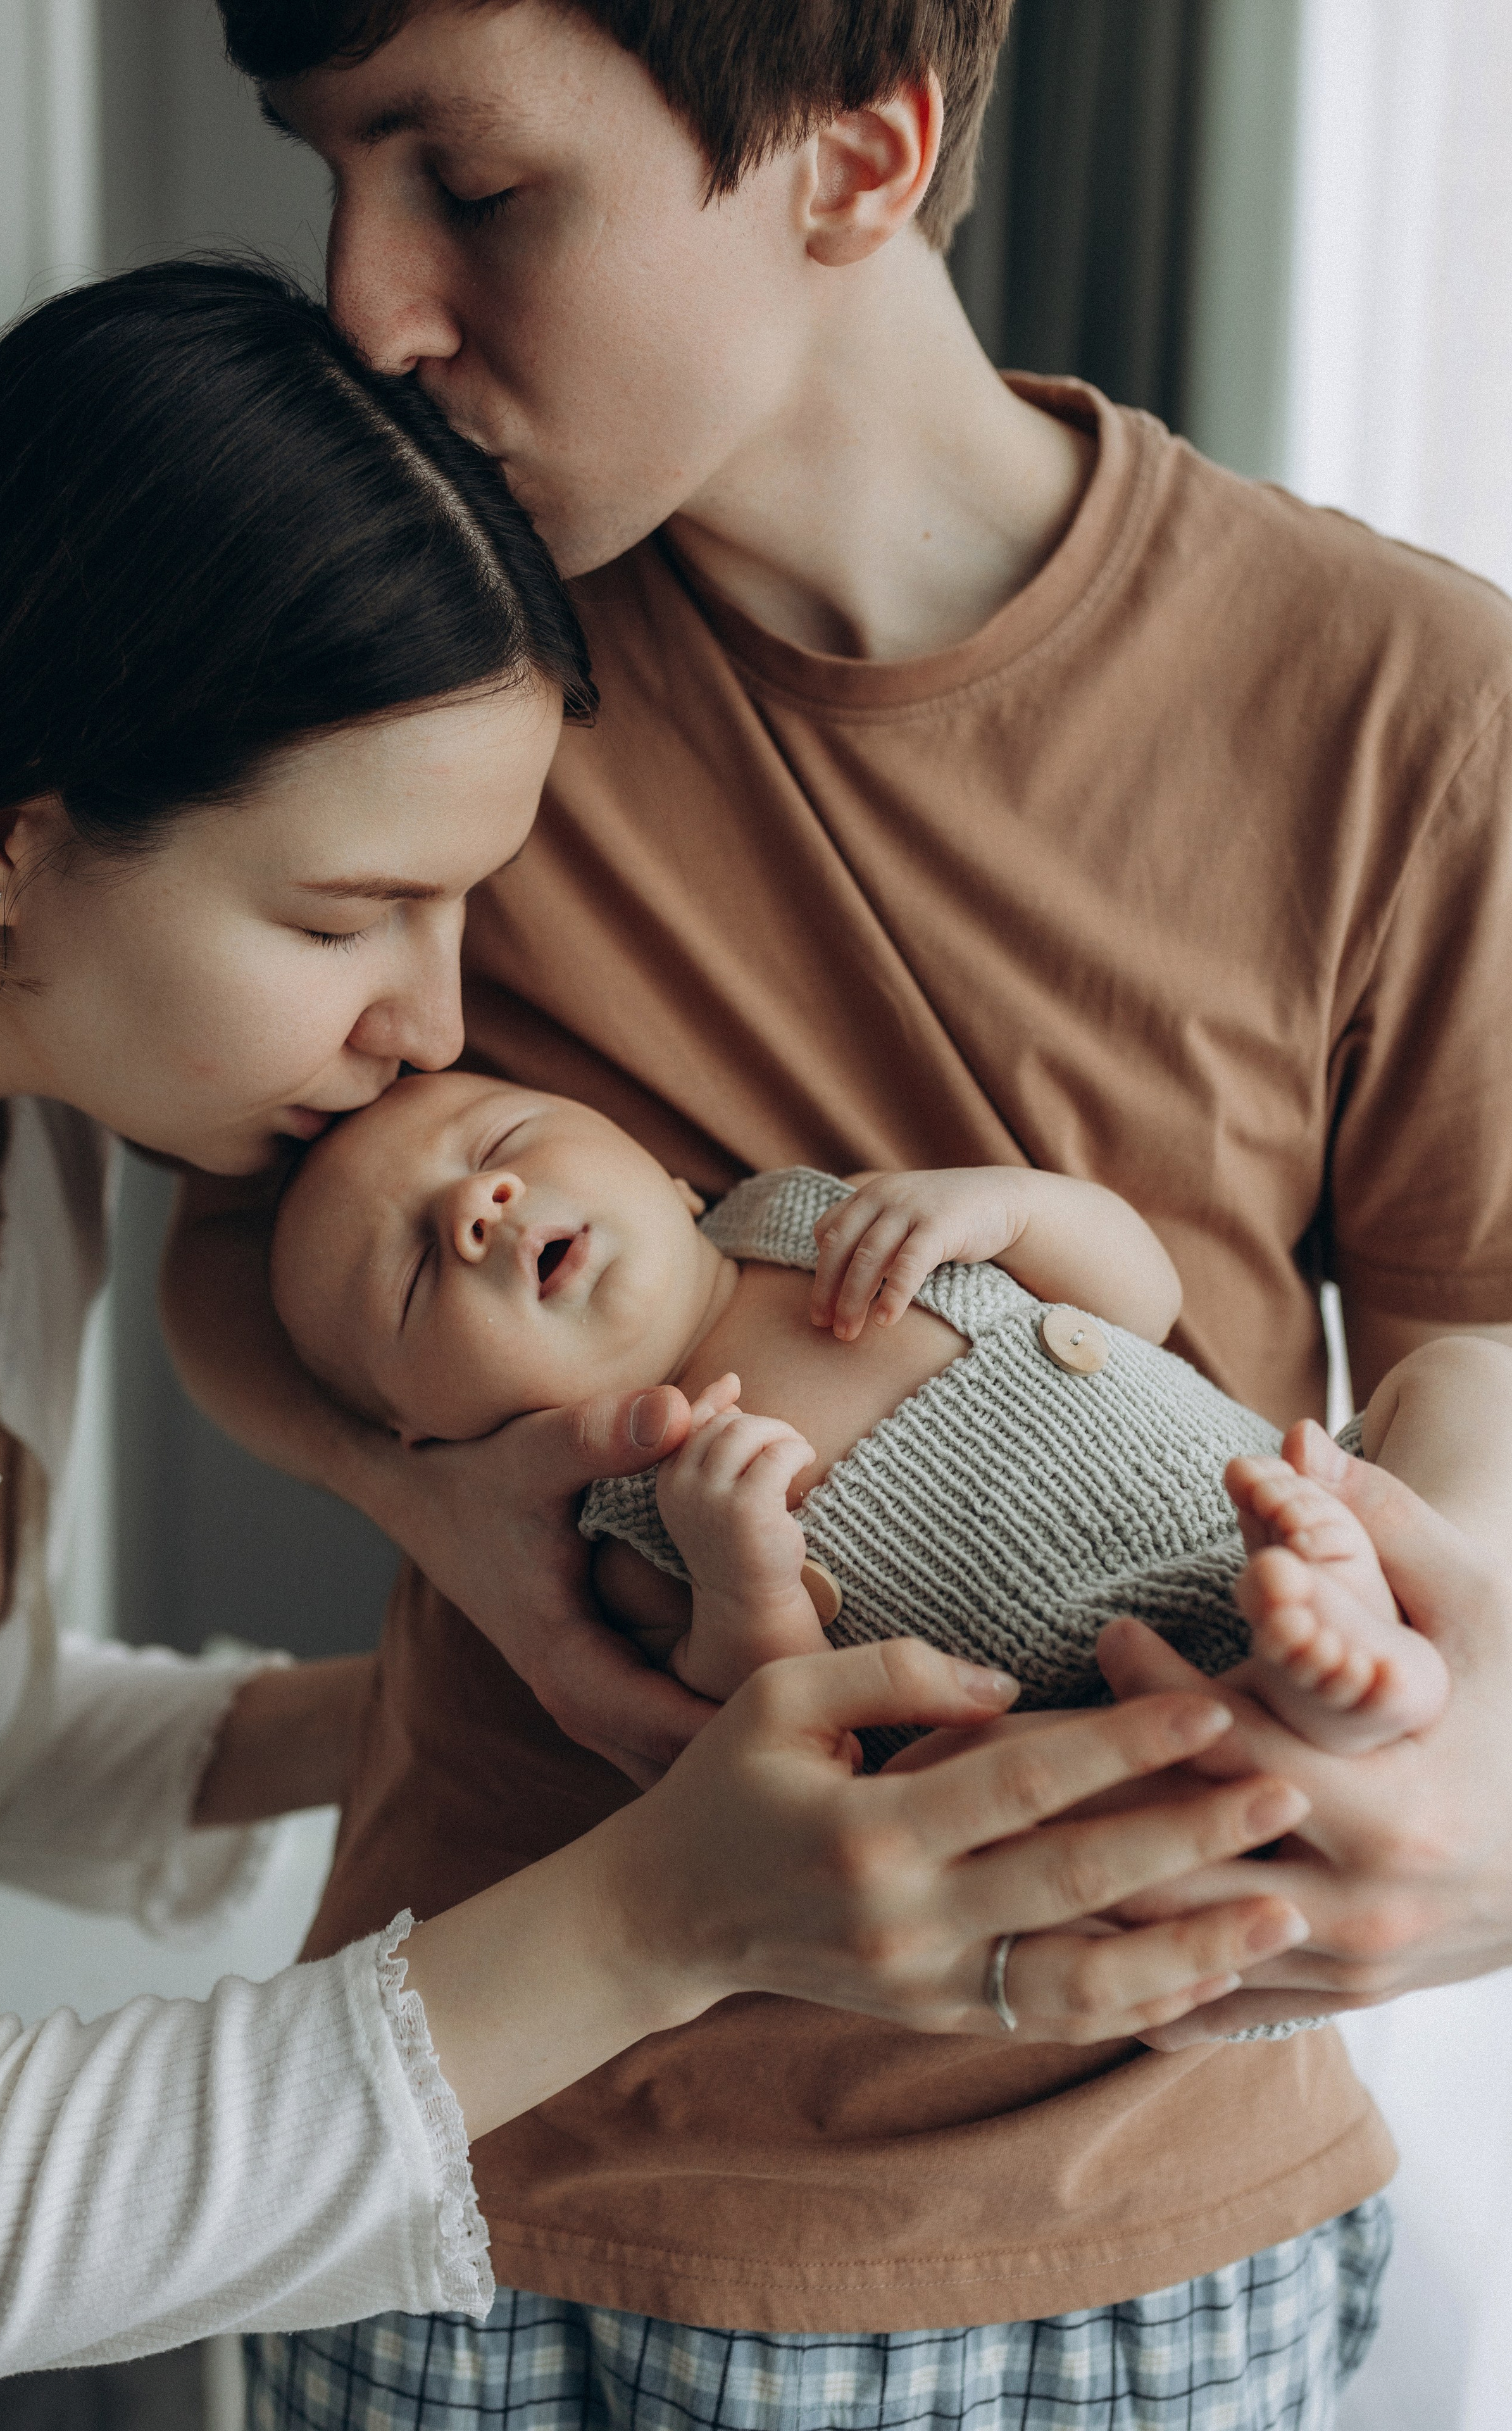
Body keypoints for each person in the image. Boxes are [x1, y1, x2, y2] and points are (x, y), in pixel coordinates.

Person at [174, 2, 1512, 2424]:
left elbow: (1478, 1336)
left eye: (466, 183)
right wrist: (452, 1501)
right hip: (482, 2177)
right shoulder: (403, 675)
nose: (364, 298)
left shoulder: (1410, 700)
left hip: (1130, 2226)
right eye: (326, 170)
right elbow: (207, 1244)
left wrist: (1446, 1720)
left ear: (858, 156)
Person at [0, 259, 1302, 2405]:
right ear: (7, 848)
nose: (431, 1029)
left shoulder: (26, 1143)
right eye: (345, 915)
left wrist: (489, 1625)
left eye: (460, 909)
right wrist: (669, 1909)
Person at [270, 1070, 1504, 1750]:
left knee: (1462, 1380)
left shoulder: (825, 1218)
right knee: (989, 1788)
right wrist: (742, 1584)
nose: (477, 1202)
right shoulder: (632, 1536)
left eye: (505, 1135)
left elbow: (1144, 1297)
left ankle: (1395, 1603)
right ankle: (1346, 1677)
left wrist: (1016, 1210)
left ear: (655, 1164)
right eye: (417, 1272)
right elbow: (783, 1736)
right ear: (423, 1436)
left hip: (1281, 1499)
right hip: (1112, 1716)